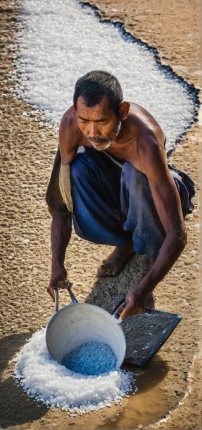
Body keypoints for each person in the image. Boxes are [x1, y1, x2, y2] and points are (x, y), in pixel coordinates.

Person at [46, 70, 195, 319]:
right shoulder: (72, 125)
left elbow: (177, 234)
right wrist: (56, 267)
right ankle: (125, 243)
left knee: (135, 175)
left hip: (152, 188)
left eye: (102, 121)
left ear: (122, 112)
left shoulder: (145, 141)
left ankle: (144, 260)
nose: (92, 132)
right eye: (84, 120)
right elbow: (61, 207)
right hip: (115, 191)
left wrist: (145, 287)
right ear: (75, 112)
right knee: (77, 168)